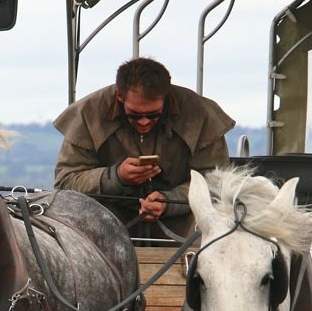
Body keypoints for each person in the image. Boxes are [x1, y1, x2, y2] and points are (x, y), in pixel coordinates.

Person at [53, 57, 234, 237]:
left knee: (216, 224)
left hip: (184, 222)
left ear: (166, 98)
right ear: (119, 97)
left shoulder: (199, 114)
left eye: (153, 115)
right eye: (135, 115)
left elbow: (215, 183)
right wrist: (116, 177)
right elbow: (66, 181)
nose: (144, 122)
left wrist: (168, 202)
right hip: (108, 222)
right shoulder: (88, 114)